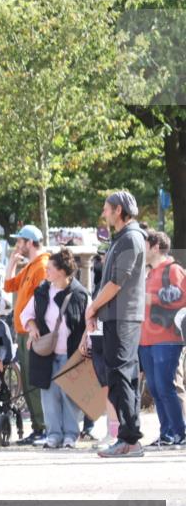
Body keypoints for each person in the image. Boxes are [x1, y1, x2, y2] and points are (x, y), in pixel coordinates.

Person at [85, 191, 147, 458]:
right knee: (120, 375)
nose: (104, 213)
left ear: (119, 210)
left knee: (121, 375)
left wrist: (93, 306)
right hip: (115, 316)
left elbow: (116, 283)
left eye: (107, 209)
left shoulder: (131, 238)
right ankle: (128, 437)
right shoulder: (121, 238)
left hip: (124, 316)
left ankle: (130, 439)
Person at [20, 249, 89, 449]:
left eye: (50, 268)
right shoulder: (42, 291)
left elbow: (89, 322)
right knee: (48, 395)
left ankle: (70, 435)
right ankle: (53, 435)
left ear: (61, 271)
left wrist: (86, 345)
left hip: (71, 352)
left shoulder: (80, 294)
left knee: (70, 396)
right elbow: (26, 315)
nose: (46, 272)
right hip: (45, 353)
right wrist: (32, 328)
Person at [137, 230, 186, 446]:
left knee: (165, 386)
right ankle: (167, 433)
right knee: (156, 388)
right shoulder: (149, 273)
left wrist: (152, 298)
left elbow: (181, 296)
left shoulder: (172, 270)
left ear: (155, 246)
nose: (142, 249)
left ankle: (180, 433)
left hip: (167, 337)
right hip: (147, 339)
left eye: (145, 244)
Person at [4, 225, 49, 445]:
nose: (17, 244)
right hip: (23, 332)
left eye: (20, 241)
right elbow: (8, 285)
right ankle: (38, 427)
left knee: (34, 381)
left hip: (33, 332)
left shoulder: (41, 266)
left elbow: (43, 302)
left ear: (30, 243)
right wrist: (12, 262)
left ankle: (43, 427)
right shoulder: (31, 266)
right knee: (29, 380)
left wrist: (34, 328)